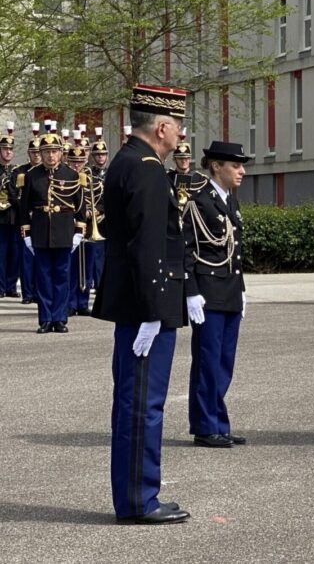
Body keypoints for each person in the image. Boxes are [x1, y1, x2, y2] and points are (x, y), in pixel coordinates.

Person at [91, 84, 191, 524]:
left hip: (134, 304)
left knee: (135, 401)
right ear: (163, 127)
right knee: (143, 404)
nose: (181, 136)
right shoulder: (147, 168)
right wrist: (154, 311)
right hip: (144, 308)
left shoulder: (127, 160)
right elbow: (148, 246)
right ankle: (138, 500)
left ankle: (136, 495)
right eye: (179, 127)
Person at [184, 141, 251, 449]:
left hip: (229, 290)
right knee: (208, 362)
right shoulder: (199, 201)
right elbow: (186, 249)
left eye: (241, 166)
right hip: (209, 293)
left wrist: (242, 289)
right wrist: (191, 292)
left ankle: (218, 423)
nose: (241, 171)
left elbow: (233, 250)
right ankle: (204, 425)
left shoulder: (229, 201)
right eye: (235, 166)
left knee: (224, 363)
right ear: (216, 167)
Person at [19, 132, 86, 334]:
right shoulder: (31, 176)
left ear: (61, 153)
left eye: (54, 152)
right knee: (43, 277)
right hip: (40, 232)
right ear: (40, 153)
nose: (50, 156)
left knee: (62, 277)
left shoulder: (72, 175)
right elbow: (24, 208)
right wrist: (27, 234)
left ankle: (60, 318)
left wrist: (78, 233)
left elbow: (80, 208)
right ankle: (46, 319)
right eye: (46, 152)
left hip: (64, 232)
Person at [13, 127, 42, 304]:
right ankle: (27, 293)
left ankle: (38, 292)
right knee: (26, 258)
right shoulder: (21, 172)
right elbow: (15, 195)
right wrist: (27, 211)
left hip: (41, 220)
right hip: (25, 218)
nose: (36, 156)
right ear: (28, 154)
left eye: (39, 153)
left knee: (40, 259)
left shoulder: (46, 173)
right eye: (33, 153)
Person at [65, 145, 94, 316]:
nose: (77, 165)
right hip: (69, 227)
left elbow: (103, 201)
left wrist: (95, 211)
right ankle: (70, 303)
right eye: (73, 162)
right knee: (70, 266)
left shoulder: (94, 180)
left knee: (87, 266)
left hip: (89, 227)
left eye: (80, 162)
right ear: (68, 161)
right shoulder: (64, 179)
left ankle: (83, 302)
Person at [86, 129, 109, 287]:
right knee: (92, 254)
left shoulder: (112, 173)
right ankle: (92, 283)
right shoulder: (89, 174)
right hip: (91, 218)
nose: (101, 157)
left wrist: (101, 209)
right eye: (98, 155)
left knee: (105, 255)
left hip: (107, 218)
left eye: (103, 154)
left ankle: (102, 284)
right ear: (93, 157)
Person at [0, 124, 19, 298]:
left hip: (13, 217)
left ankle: (11, 286)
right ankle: (0, 286)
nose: (7, 152)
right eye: (4, 149)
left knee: (14, 254)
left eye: (10, 150)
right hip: (0, 218)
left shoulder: (16, 171)